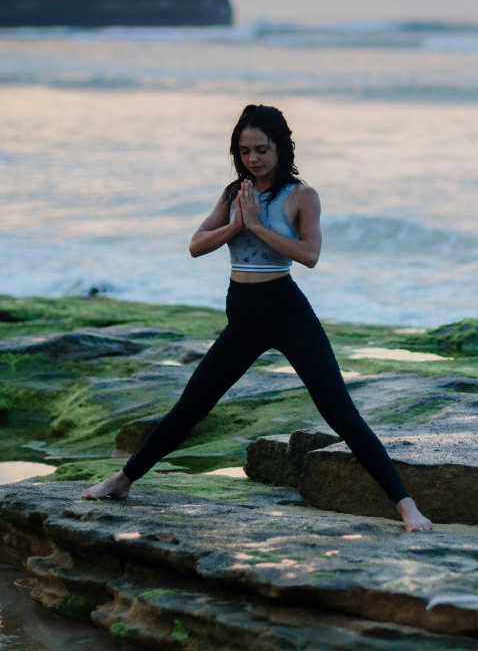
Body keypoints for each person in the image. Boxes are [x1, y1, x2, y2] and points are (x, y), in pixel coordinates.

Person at [84, 104, 433, 532]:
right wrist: (234, 226)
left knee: (340, 413)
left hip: (288, 313)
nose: (253, 159)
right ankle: (123, 480)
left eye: (262, 150)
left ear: (281, 148)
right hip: (243, 318)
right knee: (192, 406)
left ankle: (406, 506)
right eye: (245, 151)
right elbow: (195, 245)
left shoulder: (302, 196)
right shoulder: (235, 193)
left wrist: (257, 226)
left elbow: (310, 255)